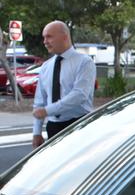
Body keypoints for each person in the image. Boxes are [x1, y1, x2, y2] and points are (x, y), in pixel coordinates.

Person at [32, 21, 96, 149]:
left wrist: (47, 111)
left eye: (49, 36)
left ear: (65, 37)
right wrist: (36, 132)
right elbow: (40, 101)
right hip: (53, 127)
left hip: (78, 124)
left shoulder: (84, 63)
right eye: (44, 37)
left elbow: (79, 95)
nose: (45, 41)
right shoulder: (46, 67)